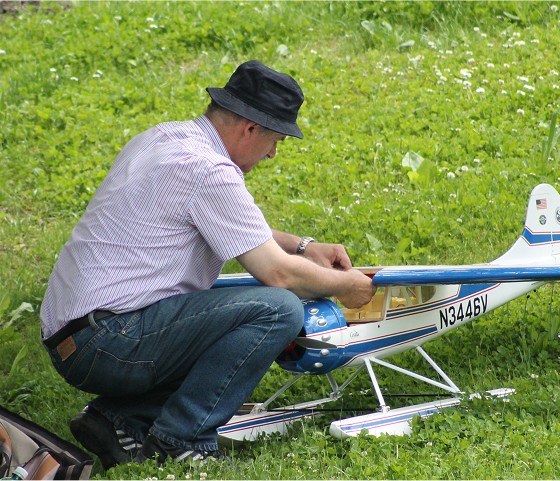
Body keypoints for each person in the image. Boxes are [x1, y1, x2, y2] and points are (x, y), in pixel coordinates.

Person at [40, 60, 376, 468]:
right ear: (250, 129)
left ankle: (116, 421)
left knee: (221, 308)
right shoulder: (209, 171)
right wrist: (348, 286)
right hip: (110, 340)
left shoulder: (161, 138)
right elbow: (279, 274)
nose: (272, 154)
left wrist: (304, 246)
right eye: (274, 141)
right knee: (277, 309)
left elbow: (230, 225)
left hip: (74, 338)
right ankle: (180, 439)